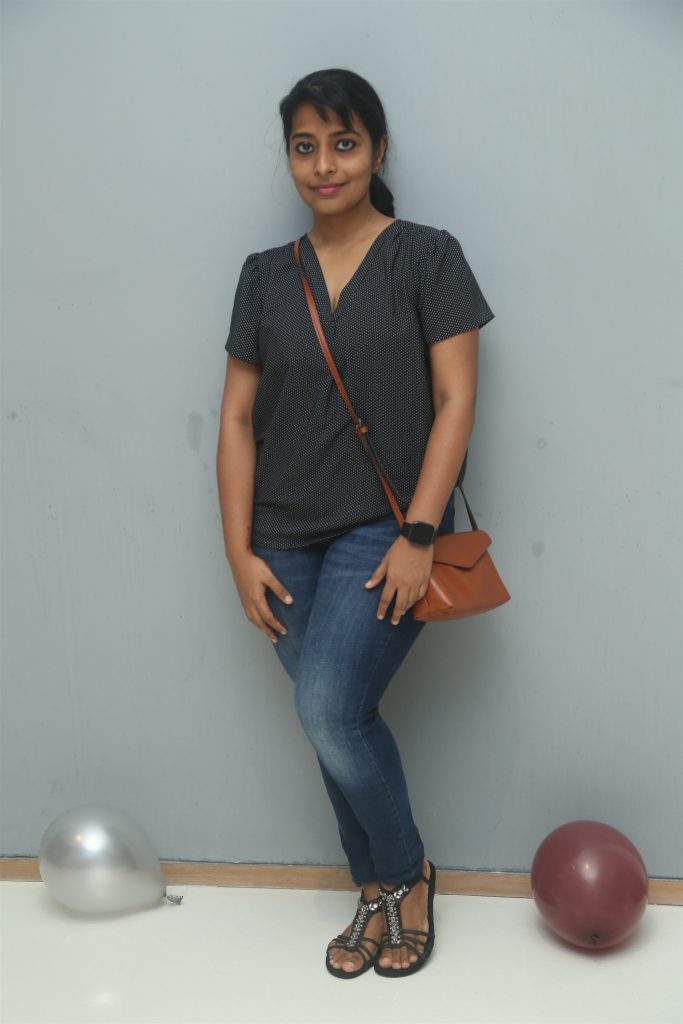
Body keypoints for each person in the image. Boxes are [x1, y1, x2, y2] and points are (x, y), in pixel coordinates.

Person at [216, 68, 495, 979]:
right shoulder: (265, 276)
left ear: (377, 150)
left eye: (343, 143)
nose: (324, 164)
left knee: (329, 710)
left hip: (384, 524)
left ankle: (405, 875)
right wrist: (236, 552)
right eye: (305, 147)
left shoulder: (427, 256)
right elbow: (235, 419)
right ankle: (374, 888)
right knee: (328, 718)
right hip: (280, 534)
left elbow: (456, 402)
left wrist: (418, 533)